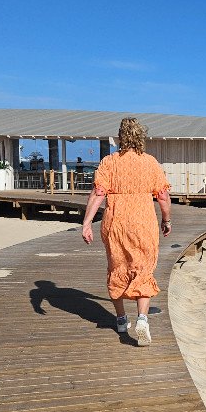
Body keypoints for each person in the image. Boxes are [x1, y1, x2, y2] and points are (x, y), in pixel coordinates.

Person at [82, 117, 172, 347]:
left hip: (116, 223)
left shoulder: (109, 162)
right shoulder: (150, 163)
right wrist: (167, 220)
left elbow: (98, 193)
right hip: (143, 223)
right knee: (143, 270)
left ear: (120, 137)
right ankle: (142, 319)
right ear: (141, 137)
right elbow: (162, 196)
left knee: (117, 268)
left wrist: (87, 223)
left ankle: (121, 320)